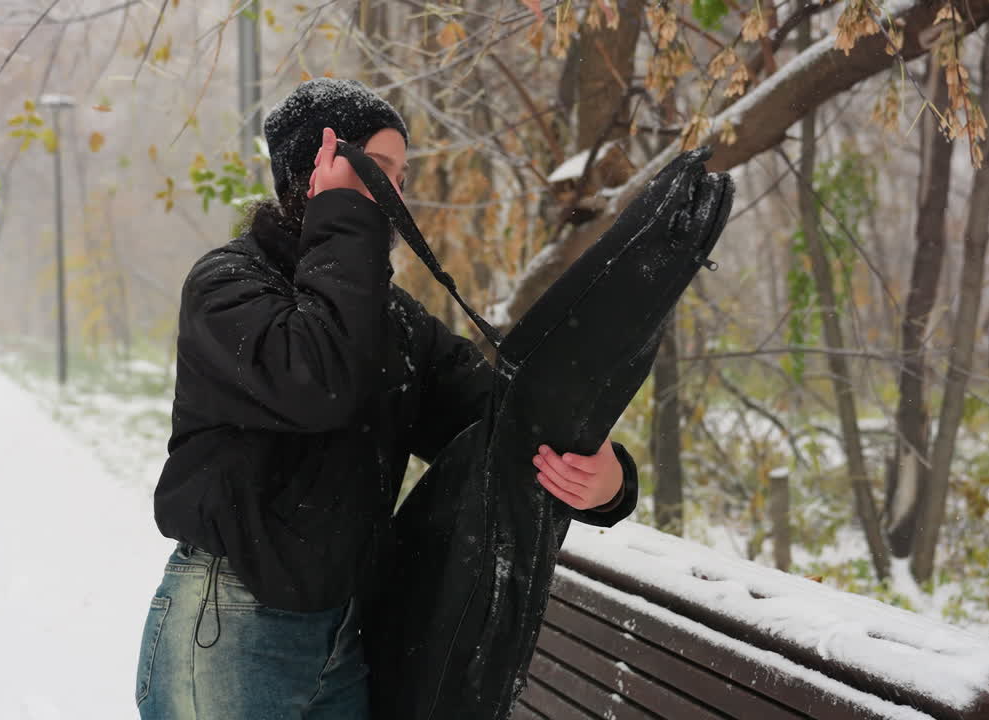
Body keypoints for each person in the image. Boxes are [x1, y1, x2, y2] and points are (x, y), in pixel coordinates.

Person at [134, 78, 641, 720]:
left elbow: (499, 423)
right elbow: (316, 380)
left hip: (341, 638)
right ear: (312, 171)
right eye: (380, 171)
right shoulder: (227, 287)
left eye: (401, 176)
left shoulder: (391, 321)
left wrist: (608, 480)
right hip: (230, 630)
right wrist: (345, 211)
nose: (396, 195)